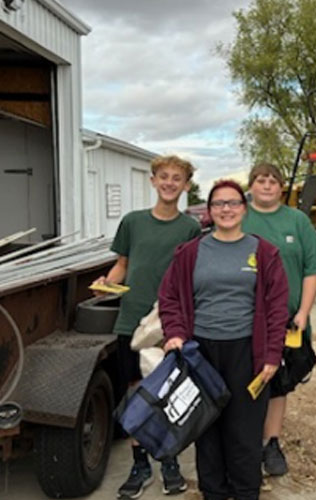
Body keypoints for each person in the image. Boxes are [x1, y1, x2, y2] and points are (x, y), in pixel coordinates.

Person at [158, 180, 289, 500]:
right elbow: (169, 297)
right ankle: (213, 492)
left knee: (243, 432)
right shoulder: (191, 253)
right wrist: (174, 334)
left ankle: (246, 492)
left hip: (248, 351)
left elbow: (277, 306)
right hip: (200, 352)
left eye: (232, 203)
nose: (226, 210)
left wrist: (272, 354)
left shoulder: (264, 252)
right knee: (207, 429)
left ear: (244, 209)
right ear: (210, 210)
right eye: (219, 204)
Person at [92, 155, 201, 498]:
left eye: (177, 178)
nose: (170, 183)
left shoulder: (190, 229)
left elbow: (192, 275)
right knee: (138, 392)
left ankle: (169, 458)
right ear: (153, 181)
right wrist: (106, 284)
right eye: (164, 177)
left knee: (168, 392)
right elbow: (122, 265)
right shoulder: (133, 222)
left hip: (170, 322)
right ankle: (140, 463)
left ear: (186, 186)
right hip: (132, 320)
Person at [241, 162, 316, 476]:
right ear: (251, 185)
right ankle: (247, 444)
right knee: (245, 381)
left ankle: (271, 442)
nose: (266, 186)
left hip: (286, 320)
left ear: (281, 187)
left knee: (278, 383)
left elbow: (313, 268)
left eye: (272, 181)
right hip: (243, 319)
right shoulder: (239, 216)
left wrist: (304, 312)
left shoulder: (297, 221)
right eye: (260, 180)